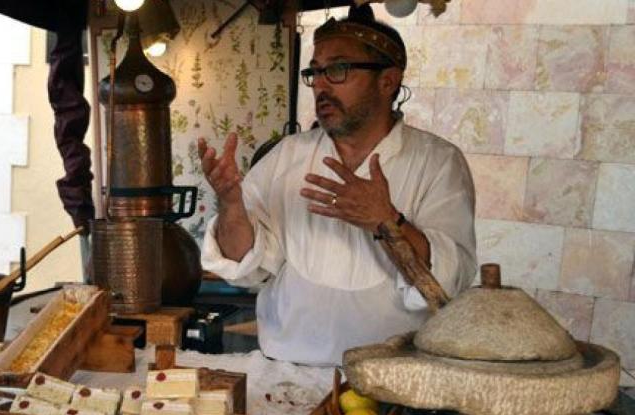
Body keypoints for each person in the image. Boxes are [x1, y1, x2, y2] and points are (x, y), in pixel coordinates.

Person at [199, 5, 476, 366]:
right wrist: (231, 207)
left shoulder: (437, 162)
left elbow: (446, 286)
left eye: (338, 69)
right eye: (315, 72)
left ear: (387, 81)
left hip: (397, 381)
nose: (321, 85)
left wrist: (386, 221)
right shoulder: (287, 157)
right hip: (286, 373)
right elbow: (246, 266)